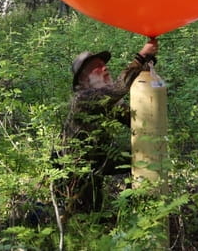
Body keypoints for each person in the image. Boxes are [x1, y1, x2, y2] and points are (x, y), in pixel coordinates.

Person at [62, 39, 158, 213]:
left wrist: (146, 68)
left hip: (99, 160)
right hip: (76, 169)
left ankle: (138, 207)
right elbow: (118, 88)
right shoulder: (83, 99)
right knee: (84, 214)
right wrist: (140, 57)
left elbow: (135, 120)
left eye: (104, 65)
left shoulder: (106, 103)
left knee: (140, 156)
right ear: (83, 78)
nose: (105, 69)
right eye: (96, 67)